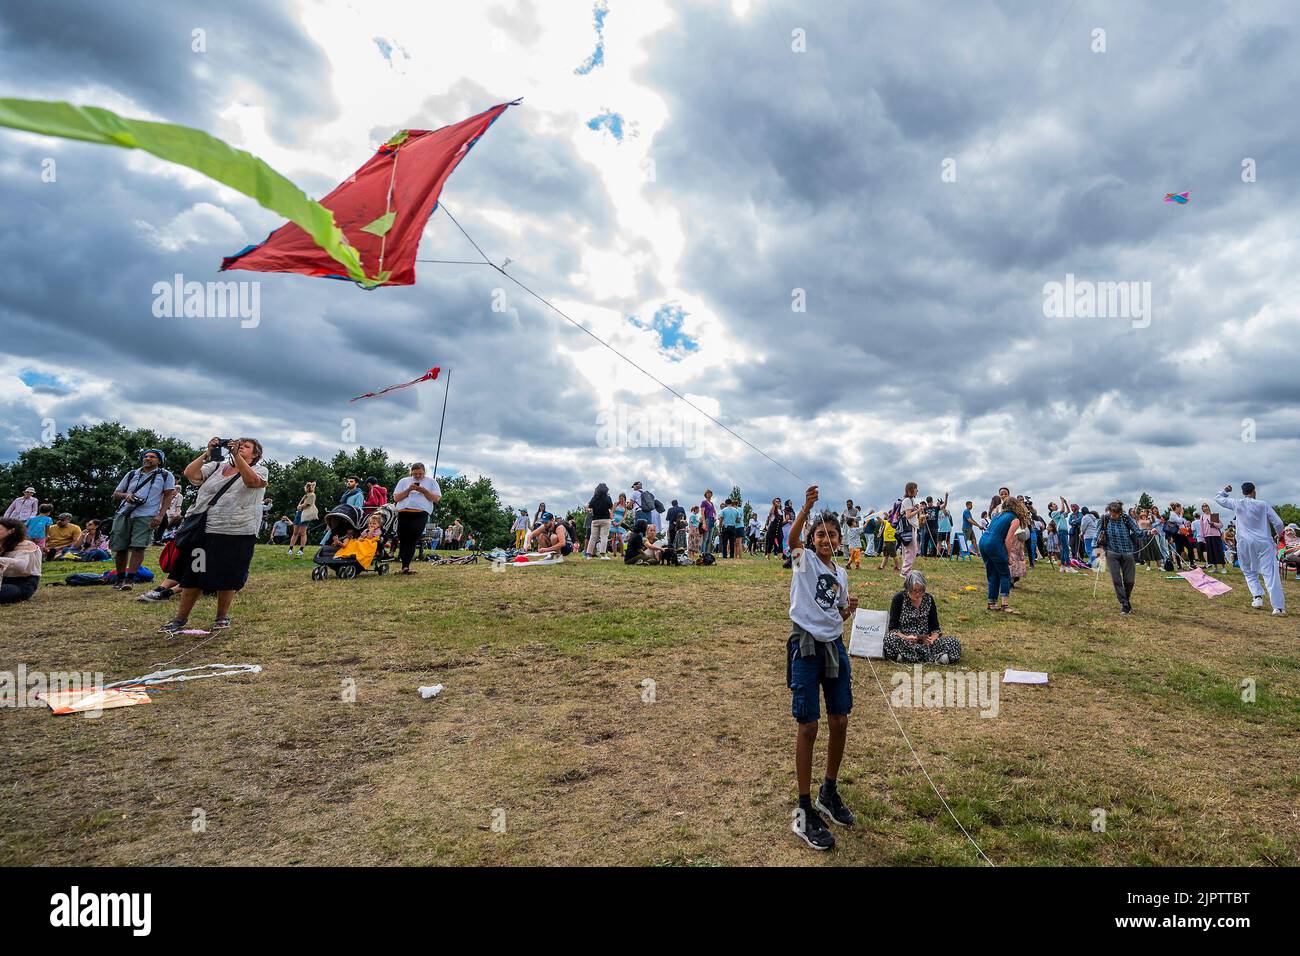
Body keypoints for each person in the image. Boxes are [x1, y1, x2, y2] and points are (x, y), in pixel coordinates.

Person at [785, 486, 857, 851]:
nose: (826, 540)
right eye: (820, 535)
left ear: (839, 540)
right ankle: (803, 809)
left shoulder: (841, 574)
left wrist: (848, 610)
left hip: (835, 648)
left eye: (832, 535)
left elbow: (836, 610)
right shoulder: (804, 561)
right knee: (808, 725)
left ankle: (828, 791)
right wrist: (806, 509)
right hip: (806, 648)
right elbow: (792, 538)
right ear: (813, 541)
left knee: (840, 719)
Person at [160, 438, 268, 633]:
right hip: (203, 529)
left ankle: (222, 617)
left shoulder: (260, 470)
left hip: (236, 531)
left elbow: (251, 481)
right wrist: (207, 452)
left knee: (228, 574)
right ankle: (180, 619)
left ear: (255, 455)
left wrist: (236, 455)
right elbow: (189, 474)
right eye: (239, 444)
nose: (241, 447)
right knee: (194, 573)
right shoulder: (217, 466)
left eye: (246, 446)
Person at [109, 449, 176, 591]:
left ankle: (130, 579)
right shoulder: (132, 474)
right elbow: (116, 493)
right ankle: (120, 578)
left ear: (159, 461)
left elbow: (168, 496)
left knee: (139, 547)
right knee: (120, 547)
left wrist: (160, 515)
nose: (148, 458)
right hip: (124, 513)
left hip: (146, 514)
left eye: (152, 457)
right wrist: (126, 496)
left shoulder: (165, 475)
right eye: (146, 456)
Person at [1215, 484, 1285, 614]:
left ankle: (1257, 596)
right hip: (1263, 542)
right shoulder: (1263, 504)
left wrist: (1225, 491)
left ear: (1243, 492)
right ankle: (1278, 607)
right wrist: (1280, 535)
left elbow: (1218, 498)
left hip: (1244, 542)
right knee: (1270, 573)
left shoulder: (1237, 503)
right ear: (1254, 491)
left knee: (1248, 570)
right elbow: (1279, 523)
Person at [883, 571, 962, 664]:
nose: (918, 594)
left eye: (921, 590)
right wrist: (906, 637)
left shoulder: (928, 599)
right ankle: (935, 657)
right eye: (914, 590)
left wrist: (931, 640)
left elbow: (935, 628)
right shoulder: (899, 598)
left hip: (926, 643)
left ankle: (907, 657)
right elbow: (893, 628)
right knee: (890, 639)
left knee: (953, 642)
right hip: (906, 641)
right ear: (907, 587)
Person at [392, 462, 442, 574]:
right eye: (415, 474)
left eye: (420, 473)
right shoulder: (403, 481)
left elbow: (436, 498)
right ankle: (404, 566)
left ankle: (406, 566)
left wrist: (423, 490)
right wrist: (408, 490)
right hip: (404, 512)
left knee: (412, 538)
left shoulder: (431, 482)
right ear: (411, 472)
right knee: (403, 538)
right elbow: (396, 498)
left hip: (420, 513)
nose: (418, 476)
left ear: (424, 472)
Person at [1096, 501, 1142, 614]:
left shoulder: (1126, 518)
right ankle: (1125, 604)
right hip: (1111, 553)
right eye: (1110, 513)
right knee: (1116, 580)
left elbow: (1138, 532)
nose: (1112, 516)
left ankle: (1126, 599)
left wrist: (1150, 532)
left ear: (1120, 512)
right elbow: (1097, 535)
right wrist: (1096, 550)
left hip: (1127, 552)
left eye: (1114, 514)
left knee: (1129, 581)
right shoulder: (1104, 519)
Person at [979, 499, 1022, 614]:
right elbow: (1008, 540)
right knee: (1005, 574)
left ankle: (992, 603)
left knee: (992, 573)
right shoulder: (1015, 519)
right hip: (994, 543)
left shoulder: (998, 515)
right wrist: (1008, 556)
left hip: (983, 542)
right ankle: (1005, 605)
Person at [0, 517, 42, 604]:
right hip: (4, 580)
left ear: (11, 531)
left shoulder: (26, 545)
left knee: (6, 591)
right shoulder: (4, 545)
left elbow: (21, 565)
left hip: (23, 583)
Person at [585, 483, 614, 559]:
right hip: (605, 519)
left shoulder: (594, 497)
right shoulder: (608, 497)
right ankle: (603, 555)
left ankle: (589, 555)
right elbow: (611, 507)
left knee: (593, 537)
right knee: (604, 537)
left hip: (595, 520)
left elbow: (590, 506)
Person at [898, 482, 921, 576]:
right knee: (912, 550)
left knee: (908, 550)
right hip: (909, 528)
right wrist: (918, 510)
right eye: (916, 488)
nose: (917, 490)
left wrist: (915, 508)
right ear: (911, 489)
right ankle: (905, 571)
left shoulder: (910, 500)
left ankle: (906, 570)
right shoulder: (907, 500)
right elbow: (908, 515)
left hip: (910, 528)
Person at [289, 482, 317, 556]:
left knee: (302, 533)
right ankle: (290, 549)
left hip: (305, 514)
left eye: (305, 487)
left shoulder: (312, 495)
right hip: (299, 513)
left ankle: (301, 549)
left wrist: (300, 506)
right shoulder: (306, 495)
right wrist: (300, 507)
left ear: (307, 488)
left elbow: (306, 505)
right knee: (295, 532)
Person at [1199, 503, 1225, 572]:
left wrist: (1213, 523)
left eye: (1206, 506)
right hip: (1207, 536)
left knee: (1218, 551)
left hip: (1216, 535)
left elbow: (1221, 525)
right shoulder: (1202, 517)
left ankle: (1223, 568)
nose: (1205, 508)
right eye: (1203, 507)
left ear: (1208, 507)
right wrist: (1203, 537)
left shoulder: (1213, 515)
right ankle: (1215, 568)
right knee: (1211, 552)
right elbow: (1202, 528)